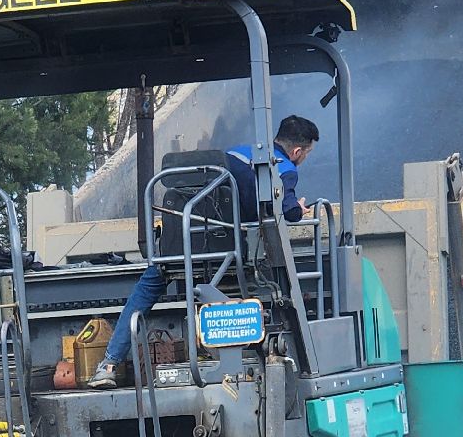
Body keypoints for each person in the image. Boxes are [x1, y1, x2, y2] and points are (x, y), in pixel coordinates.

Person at [87, 114, 320, 389]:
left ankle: (109, 365)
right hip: (228, 252)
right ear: (297, 151)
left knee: (143, 292)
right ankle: (267, 358)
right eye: (306, 154)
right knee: (275, 286)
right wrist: (300, 210)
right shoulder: (283, 168)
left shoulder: (232, 153)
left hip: (179, 247)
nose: (303, 159)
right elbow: (289, 210)